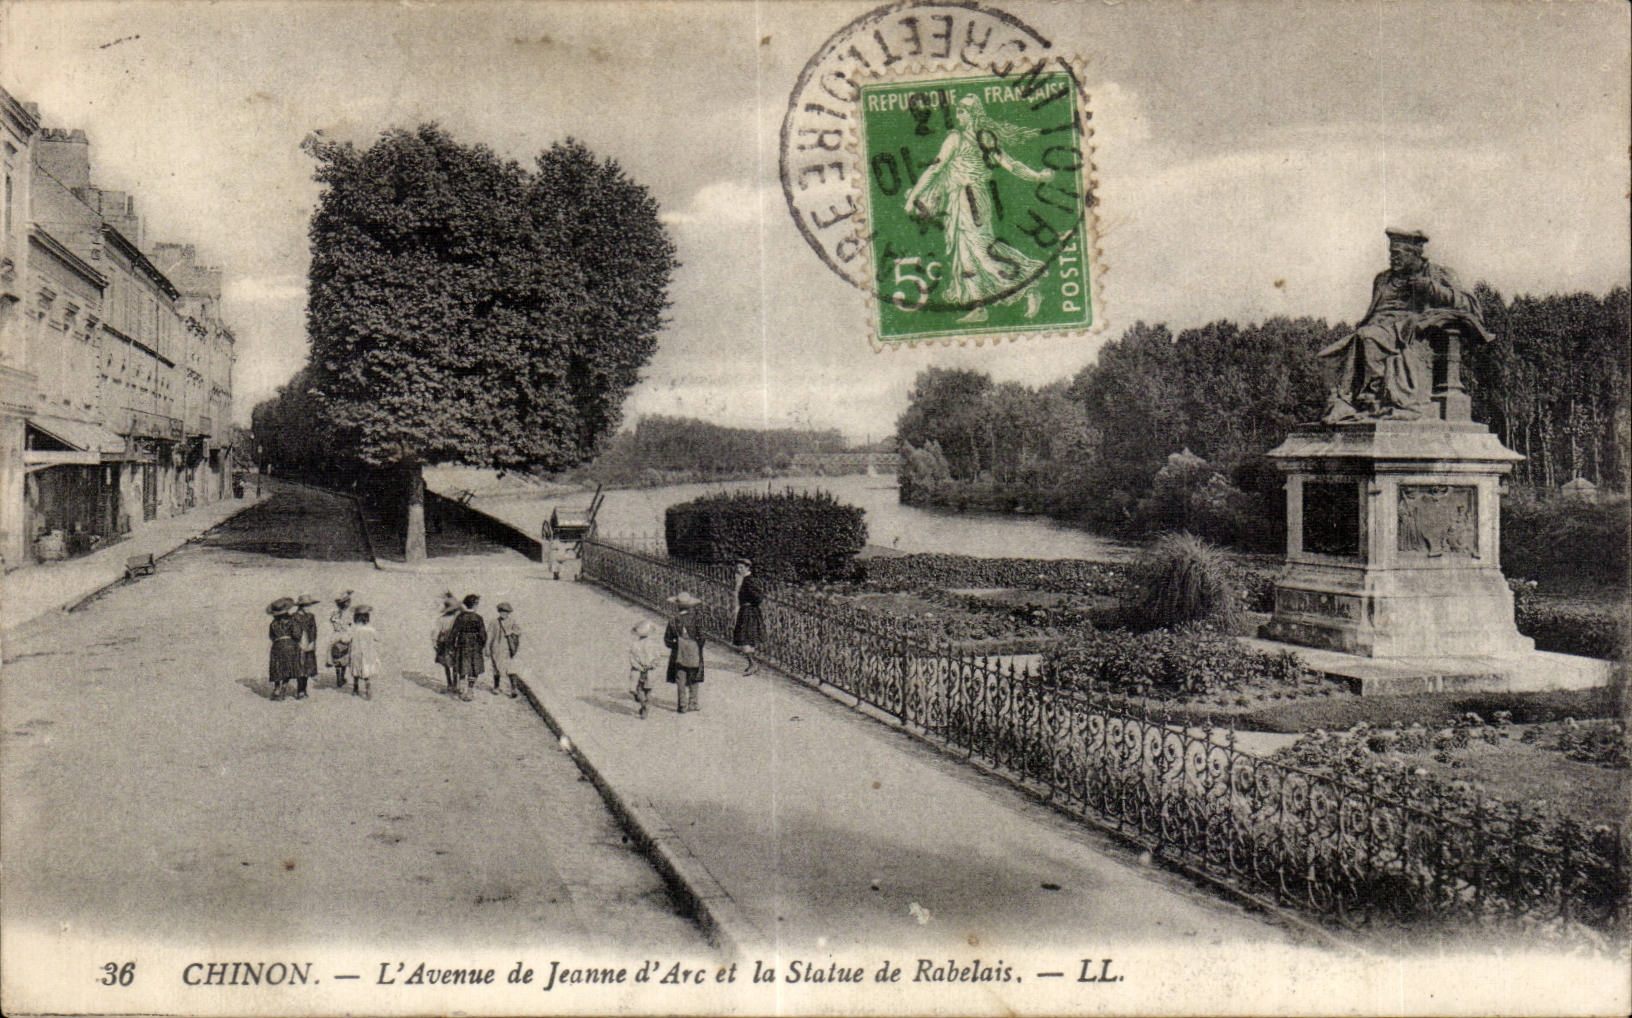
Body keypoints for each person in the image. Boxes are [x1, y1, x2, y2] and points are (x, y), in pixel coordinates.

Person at [903, 94, 1055, 323]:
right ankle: (979, 306)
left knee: (983, 253)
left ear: (974, 114)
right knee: (964, 255)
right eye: (958, 111)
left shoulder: (971, 139)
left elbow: (1009, 164)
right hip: (959, 200)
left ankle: (1030, 282)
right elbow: (937, 169)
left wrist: (1037, 177)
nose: (958, 115)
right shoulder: (962, 138)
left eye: (963, 111)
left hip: (971, 199)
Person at [1318, 228, 1492, 422]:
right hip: (1379, 327)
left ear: (1414, 254)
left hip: (1410, 330)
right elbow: (1373, 312)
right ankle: (1346, 402)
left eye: (1397, 254)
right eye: (1391, 253)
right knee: (1329, 355)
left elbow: (1468, 303)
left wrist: (1430, 288)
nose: (1392, 259)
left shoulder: (1437, 274)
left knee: (1367, 338)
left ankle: (1367, 400)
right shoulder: (1383, 279)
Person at [664, 591, 706, 714]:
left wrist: (677, 645)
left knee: (680, 678)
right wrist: (696, 647)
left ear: (677, 605)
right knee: (694, 676)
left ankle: (682, 705)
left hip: (678, 653)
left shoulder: (673, 620)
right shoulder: (696, 619)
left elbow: (667, 640)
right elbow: (702, 637)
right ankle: (693, 702)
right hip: (694, 651)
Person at [448, 593, 488, 702]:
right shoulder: (478, 618)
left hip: (462, 643)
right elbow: (483, 635)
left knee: (462, 665)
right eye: (477, 604)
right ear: (474, 605)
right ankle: (470, 691)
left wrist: (451, 646)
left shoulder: (460, 617)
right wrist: (482, 645)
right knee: (473, 667)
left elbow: (453, 633)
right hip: (475, 645)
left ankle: (462, 687)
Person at [732, 558, 765, 675]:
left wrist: (750, 603)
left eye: (741, 567)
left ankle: (753, 664)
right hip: (745, 611)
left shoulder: (749, 580)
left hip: (749, 612)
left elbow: (759, 597)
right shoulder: (743, 580)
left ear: (747, 568)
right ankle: (752, 663)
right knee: (746, 639)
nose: (738, 569)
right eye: (737, 567)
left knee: (745, 639)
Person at [266, 597, 302, 701]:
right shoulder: (292, 621)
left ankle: (276, 689)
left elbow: (271, 637)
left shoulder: (273, 623)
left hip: (277, 646)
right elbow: (297, 635)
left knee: (277, 667)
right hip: (290, 645)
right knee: (288, 667)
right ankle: (283, 688)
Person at [487, 601, 523, 698]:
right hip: (496, 648)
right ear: (499, 612)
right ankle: (496, 687)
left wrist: (510, 632)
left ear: (509, 613)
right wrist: (487, 647)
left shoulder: (512, 622)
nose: (504, 614)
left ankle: (513, 689)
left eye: (506, 612)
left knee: (510, 669)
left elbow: (519, 632)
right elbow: (489, 635)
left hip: (508, 649)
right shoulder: (494, 622)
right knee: (496, 668)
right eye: (502, 611)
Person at [628, 620, 661, 719]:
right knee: (648, 690)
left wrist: (639, 666)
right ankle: (646, 706)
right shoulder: (654, 645)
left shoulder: (635, 645)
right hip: (650, 670)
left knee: (639, 689)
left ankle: (644, 706)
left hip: (639, 671)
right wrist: (652, 665)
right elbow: (657, 657)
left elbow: (632, 659)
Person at [347, 603, 380, 699]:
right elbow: (377, 638)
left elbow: (347, 638)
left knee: (356, 670)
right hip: (368, 653)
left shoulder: (354, 629)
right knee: (366, 670)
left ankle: (355, 688)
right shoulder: (370, 629)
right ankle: (367, 687)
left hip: (356, 652)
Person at [294, 593, 320, 699]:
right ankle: (300, 690)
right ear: (301, 606)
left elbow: (314, 629)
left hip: (309, 643)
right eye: (306, 606)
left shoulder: (311, 616)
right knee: (300, 667)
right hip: (298, 643)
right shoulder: (294, 617)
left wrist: (312, 641)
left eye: (309, 605)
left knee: (307, 667)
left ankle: (304, 689)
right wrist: (298, 641)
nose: (308, 608)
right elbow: (294, 631)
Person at [328, 590, 355, 691]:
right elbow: (350, 625)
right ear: (346, 603)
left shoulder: (335, 613)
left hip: (335, 635)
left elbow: (333, 621)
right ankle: (341, 677)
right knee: (344, 656)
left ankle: (338, 676)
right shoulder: (348, 614)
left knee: (336, 656)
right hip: (345, 635)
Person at [434, 592, 459, 693]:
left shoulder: (441, 619)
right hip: (453, 642)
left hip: (444, 642)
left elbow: (436, 632)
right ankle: (455, 684)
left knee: (446, 664)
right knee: (455, 663)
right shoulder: (457, 618)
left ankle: (450, 684)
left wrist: (435, 642)